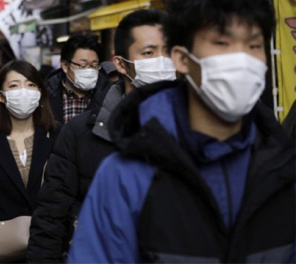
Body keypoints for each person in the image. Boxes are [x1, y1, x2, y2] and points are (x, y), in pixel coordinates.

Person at [68, 0, 295, 263]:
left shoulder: (282, 168)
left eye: (253, 46)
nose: (240, 60)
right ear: (182, 59)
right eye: (222, 43)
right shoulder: (126, 175)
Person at [28, 9, 174, 263]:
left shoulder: (200, 128)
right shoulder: (80, 132)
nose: (162, 61)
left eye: (168, 51)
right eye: (149, 53)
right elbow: (51, 216)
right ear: (120, 63)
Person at [0, 60, 59, 261]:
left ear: (39, 92)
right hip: (1, 246)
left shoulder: (57, 135)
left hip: (49, 246)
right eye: (14, 86)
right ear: (0, 96)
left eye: (30, 85)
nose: (24, 91)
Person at [47, 34, 108, 124]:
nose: (89, 71)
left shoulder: (108, 94)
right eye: (83, 66)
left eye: (94, 65)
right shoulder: (47, 95)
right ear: (65, 66)